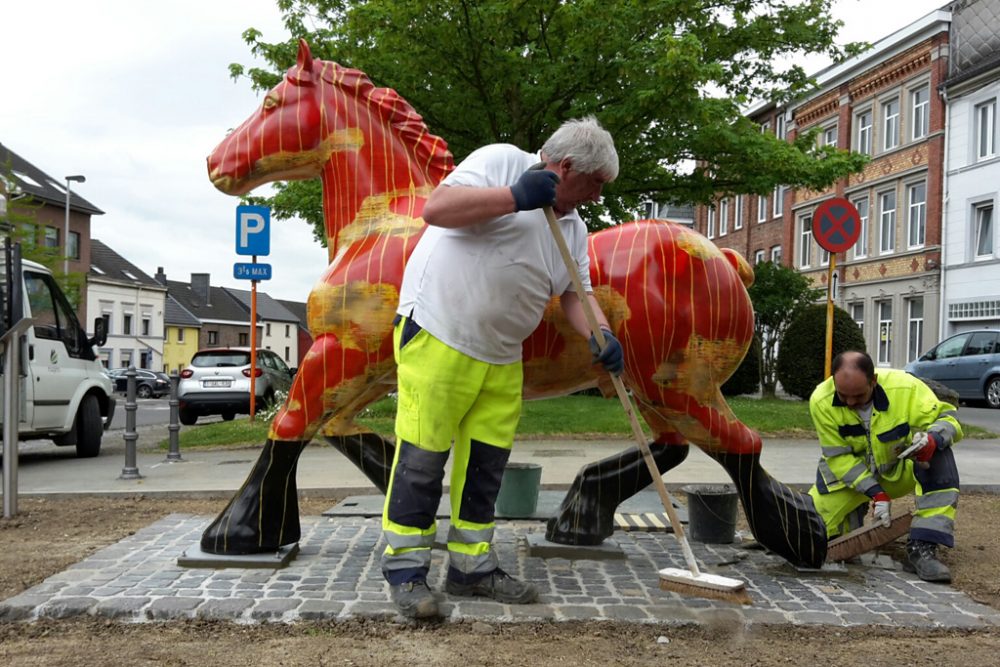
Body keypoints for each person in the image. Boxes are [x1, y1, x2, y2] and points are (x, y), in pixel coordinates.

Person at [382, 117, 623, 618]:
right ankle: (406, 572)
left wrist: (601, 335)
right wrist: (515, 195)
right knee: (422, 461)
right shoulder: (500, 162)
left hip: (501, 355)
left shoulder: (572, 228)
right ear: (566, 166)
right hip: (438, 332)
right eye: (595, 184)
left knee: (485, 468)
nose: (597, 197)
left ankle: (471, 569)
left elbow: (576, 294)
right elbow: (437, 209)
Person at [808, 351, 962, 582]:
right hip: (853, 478)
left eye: (858, 396)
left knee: (940, 457)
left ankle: (923, 547)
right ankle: (849, 520)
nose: (850, 403)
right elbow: (838, 458)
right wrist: (876, 493)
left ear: (874, 381)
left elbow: (949, 419)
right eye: (843, 396)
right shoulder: (820, 400)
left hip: (900, 472)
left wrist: (932, 439)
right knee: (807, 532)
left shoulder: (906, 388)